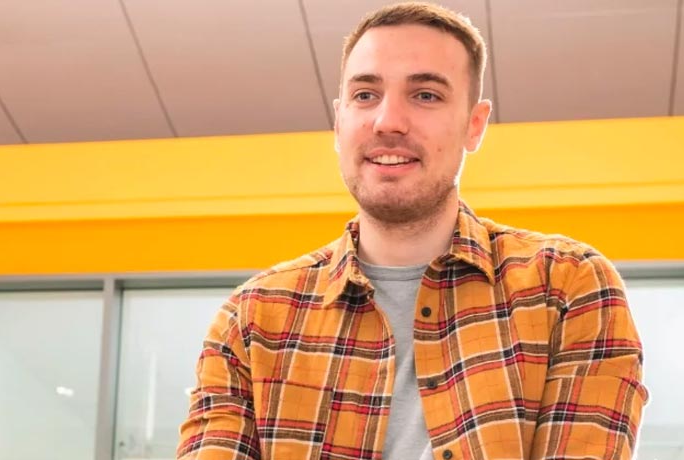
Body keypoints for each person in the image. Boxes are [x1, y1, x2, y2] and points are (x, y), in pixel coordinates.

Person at [177, 2, 648, 459]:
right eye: (366, 95)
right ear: (339, 122)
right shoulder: (251, 320)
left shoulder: (567, 287)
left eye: (426, 95)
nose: (388, 121)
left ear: (475, 125)